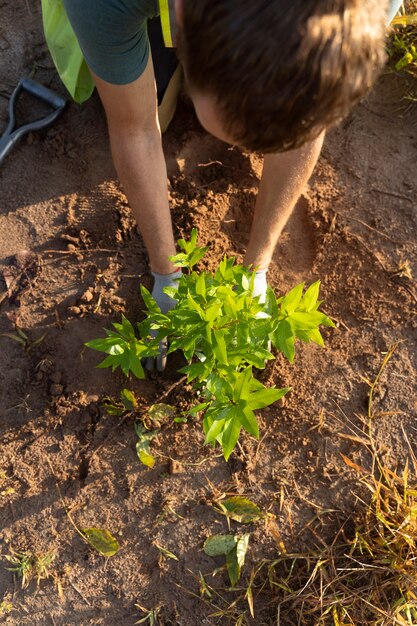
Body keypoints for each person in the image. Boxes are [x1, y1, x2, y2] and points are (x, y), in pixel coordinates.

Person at [59, 0, 400, 369]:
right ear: (185, 27)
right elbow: (134, 128)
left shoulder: (363, 14)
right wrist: (165, 272)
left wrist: (257, 269)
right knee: (144, 107)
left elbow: (310, 118)